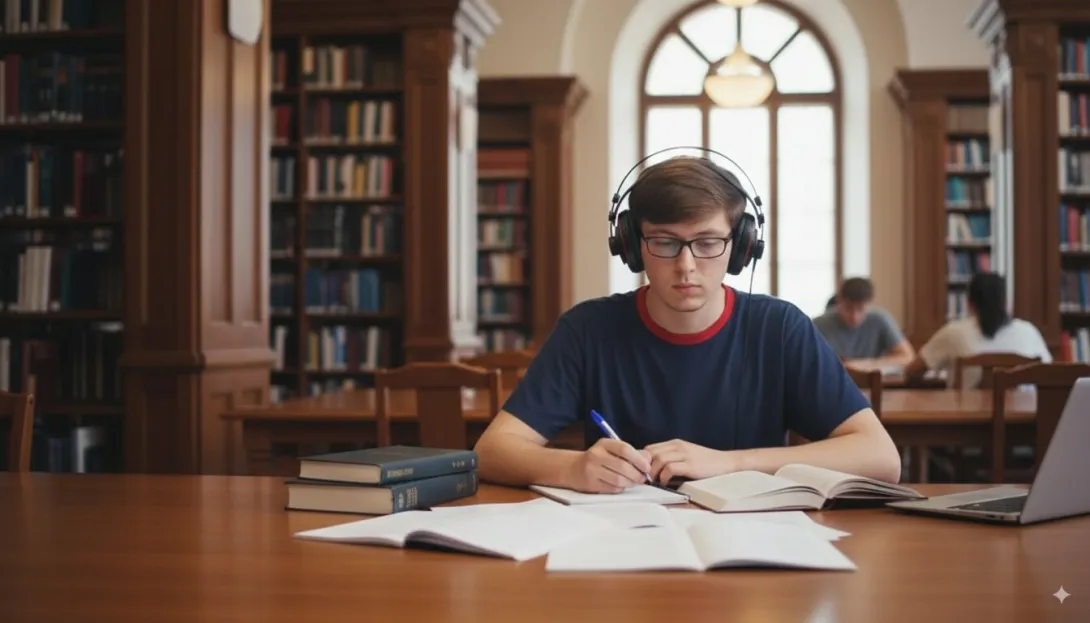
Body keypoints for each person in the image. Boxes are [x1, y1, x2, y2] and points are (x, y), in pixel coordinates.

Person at [472, 155, 902, 494]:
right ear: (632, 246)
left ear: (741, 248)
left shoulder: (780, 327)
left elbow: (881, 457)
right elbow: (492, 451)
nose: (686, 266)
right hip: (622, 552)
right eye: (663, 242)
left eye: (709, 242)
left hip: (755, 557)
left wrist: (729, 463)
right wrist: (572, 466)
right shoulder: (588, 329)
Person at [903, 271, 1051, 388]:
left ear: (969, 303)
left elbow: (911, 372)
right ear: (1006, 302)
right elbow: (1049, 374)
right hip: (1025, 422)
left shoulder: (954, 332)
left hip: (967, 423)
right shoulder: (1028, 332)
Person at [812, 278, 916, 367]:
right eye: (848, 308)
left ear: (869, 304)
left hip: (873, 383)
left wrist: (865, 364)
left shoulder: (880, 320)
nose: (854, 316)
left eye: (860, 309)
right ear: (839, 301)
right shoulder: (818, 325)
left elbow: (908, 357)